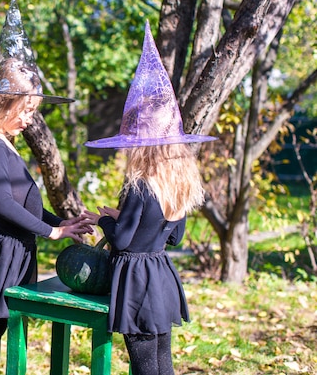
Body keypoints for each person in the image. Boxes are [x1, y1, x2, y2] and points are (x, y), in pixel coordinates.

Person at [0, 0, 90, 375]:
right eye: (26, 110)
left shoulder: (7, 145)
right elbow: (5, 208)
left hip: (16, 250)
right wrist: (54, 231)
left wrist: (64, 223)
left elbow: (25, 205)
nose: (30, 120)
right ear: (3, 104)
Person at [82, 21, 217, 375]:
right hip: (161, 275)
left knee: (143, 366)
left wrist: (103, 220)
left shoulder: (139, 184)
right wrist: (122, 217)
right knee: (162, 363)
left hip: (136, 282)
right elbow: (174, 236)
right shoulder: (178, 183)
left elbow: (124, 238)